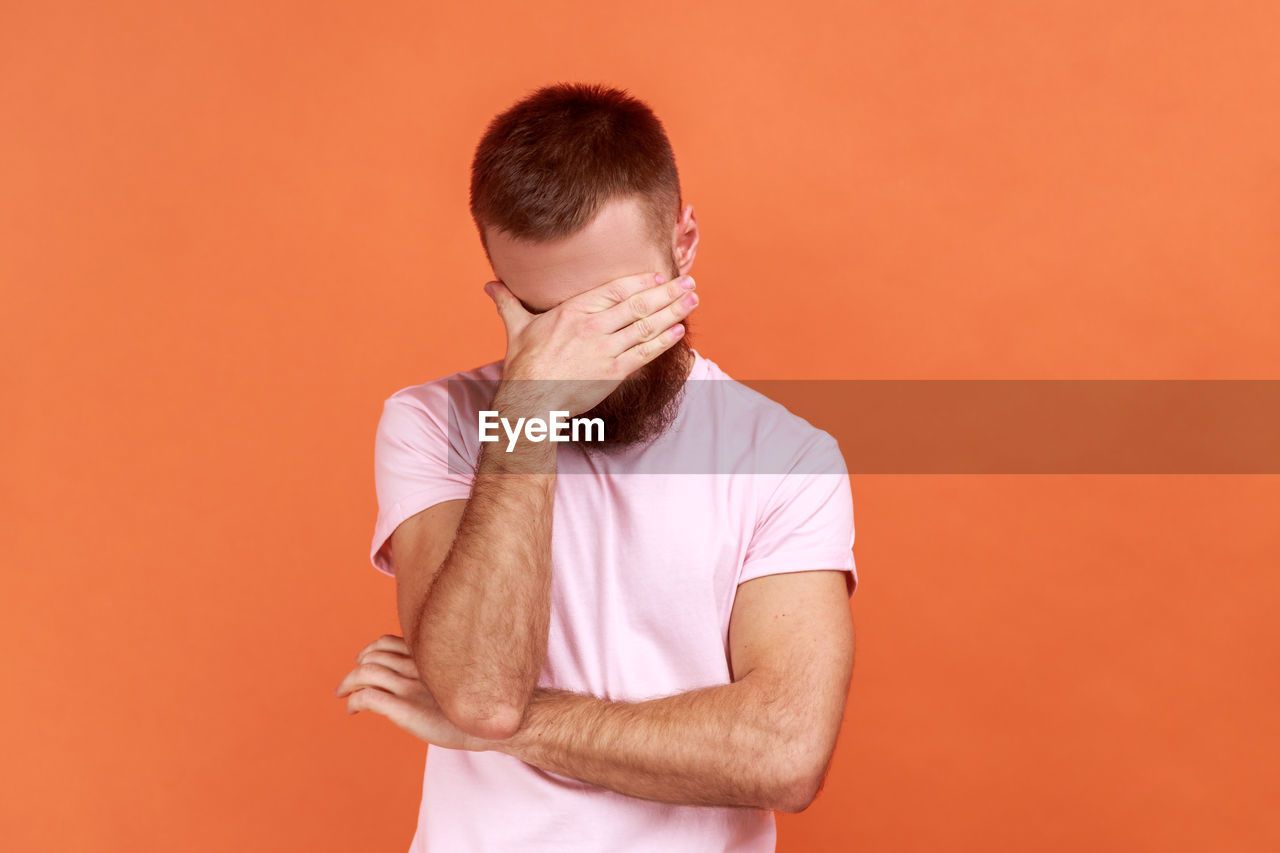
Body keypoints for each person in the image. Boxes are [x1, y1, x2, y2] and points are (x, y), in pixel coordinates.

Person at [334, 81, 858, 853]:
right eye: (547, 319)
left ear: (683, 244)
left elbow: (781, 753)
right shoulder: (433, 422)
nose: (589, 351)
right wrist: (526, 411)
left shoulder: (786, 458)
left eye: (615, 307)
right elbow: (480, 693)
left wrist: (523, 722)